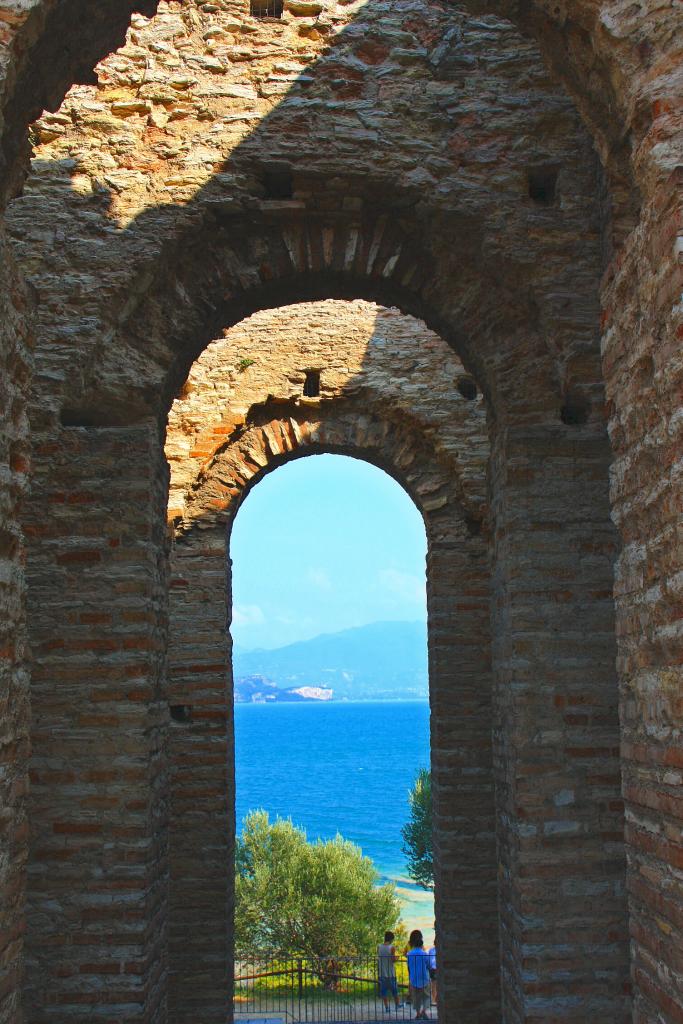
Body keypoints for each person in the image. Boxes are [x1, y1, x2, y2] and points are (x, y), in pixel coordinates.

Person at [406, 929, 431, 1020]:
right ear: (421, 945)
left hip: (413, 978)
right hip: (424, 977)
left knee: (416, 997)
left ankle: (417, 1013)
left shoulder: (409, 954)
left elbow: (408, 966)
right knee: (427, 996)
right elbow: (428, 965)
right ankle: (423, 1011)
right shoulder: (424, 953)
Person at [377, 930, 401, 1011]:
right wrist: (397, 958)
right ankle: (397, 1005)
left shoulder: (379, 947)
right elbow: (393, 960)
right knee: (395, 991)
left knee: (384, 992)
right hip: (391, 973)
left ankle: (387, 1008)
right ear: (391, 939)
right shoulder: (392, 947)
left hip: (382, 973)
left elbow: (379, 956)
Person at [427, 939, 436, 1005]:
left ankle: (435, 1000)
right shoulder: (431, 950)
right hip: (433, 969)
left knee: (435, 985)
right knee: (433, 985)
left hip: (434, 968)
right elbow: (429, 960)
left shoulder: (431, 950)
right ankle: (433, 1000)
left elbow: (429, 960)